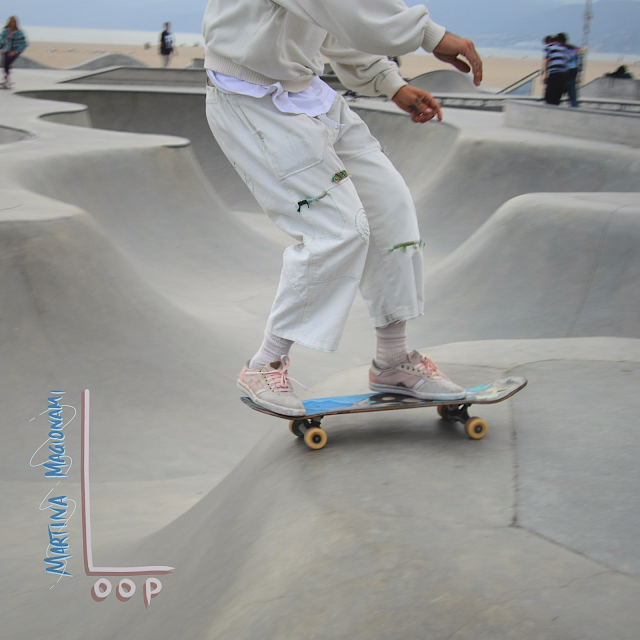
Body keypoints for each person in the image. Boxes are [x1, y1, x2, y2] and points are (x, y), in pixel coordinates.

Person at [202, 0, 483, 416]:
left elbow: (329, 21)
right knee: (338, 228)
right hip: (250, 100)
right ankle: (265, 364)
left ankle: (393, 360)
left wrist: (389, 81)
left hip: (308, 93)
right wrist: (431, 36)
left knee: (391, 207)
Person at [0, 16, 27, 89]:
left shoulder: (19, 32)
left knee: (7, 62)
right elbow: (1, 41)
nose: (12, 23)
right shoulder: (5, 31)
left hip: (14, 51)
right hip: (6, 50)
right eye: (11, 22)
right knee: (5, 64)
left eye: (14, 22)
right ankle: (6, 79)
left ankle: (7, 79)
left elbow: (24, 44)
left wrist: (16, 51)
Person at [543, 33, 568, 105]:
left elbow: (547, 61)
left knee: (549, 95)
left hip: (554, 72)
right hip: (563, 74)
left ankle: (549, 108)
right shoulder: (564, 48)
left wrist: (545, 75)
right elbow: (566, 62)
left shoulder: (549, 47)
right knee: (557, 95)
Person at [559, 33, 581, 108]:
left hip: (564, 73)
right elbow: (578, 61)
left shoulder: (562, 50)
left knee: (557, 95)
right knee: (572, 97)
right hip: (573, 73)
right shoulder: (574, 49)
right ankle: (574, 108)